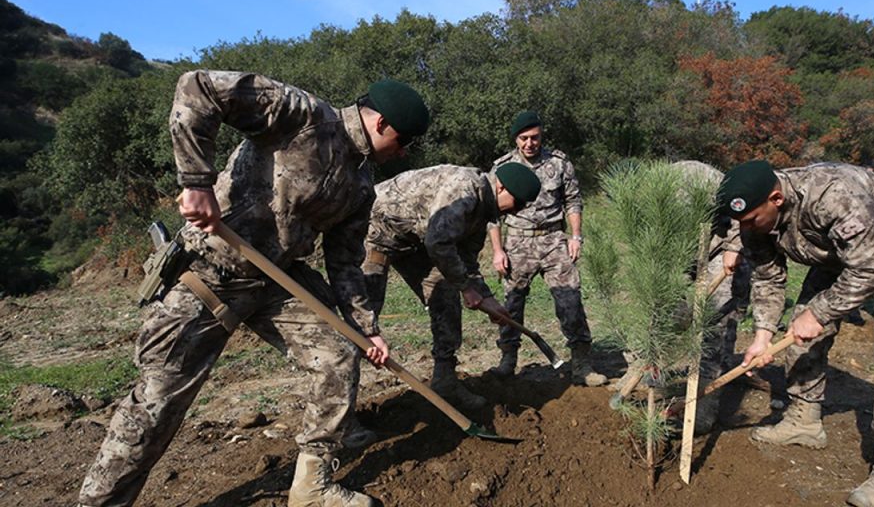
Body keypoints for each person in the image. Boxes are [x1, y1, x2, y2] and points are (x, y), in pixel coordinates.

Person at [77, 71, 430, 507]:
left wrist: (366, 327)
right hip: (210, 270)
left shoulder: (360, 187)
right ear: (382, 125)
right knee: (157, 404)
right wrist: (195, 183)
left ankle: (311, 488)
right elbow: (197, 87)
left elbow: (344, 263)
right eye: (404, 141)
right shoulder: (302, 116)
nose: (404, 152)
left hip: (276, 280)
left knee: (339, 353)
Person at [718, 160, 874, 507]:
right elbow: (768, 278)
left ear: (776, 199)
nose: (746, 228)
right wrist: (762, 335)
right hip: (841, 255)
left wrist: (821, 312)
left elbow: (871, 267)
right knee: (800, 327)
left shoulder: (832, 194)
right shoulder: (752, 218)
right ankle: (804, 421)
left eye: (750, 221)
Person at [362, 162, 541, 410]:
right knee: (363, 320)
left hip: (414, 241)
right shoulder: (465, 188)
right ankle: (342, 412)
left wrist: (486, 297)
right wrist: (466, 288)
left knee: (445, 295)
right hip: (374, 231)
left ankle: (445, 381)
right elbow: (438, 243)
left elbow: (466, 262)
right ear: (501, 187)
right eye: (518, 203)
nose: (517, 211)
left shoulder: (482, 212)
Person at [486, 111, 606, 386]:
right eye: (524, 138)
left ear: (542, 136)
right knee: (511, 304)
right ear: (516, 139)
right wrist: (497, 250)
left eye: (535, 138)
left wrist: (575, 236)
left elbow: (573, 201)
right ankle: (507, 360)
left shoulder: (559, 163)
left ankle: (582, 366)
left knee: (570, 301)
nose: (530, 144)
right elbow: (492, 214)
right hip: (517, 242)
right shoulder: (502, 167)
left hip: (554, 241)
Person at [661, 160, 752, 434]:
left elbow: (742, 211)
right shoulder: (653, 191)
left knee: (715, 324)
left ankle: (705, 407)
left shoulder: (704, 179)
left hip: (721, 247)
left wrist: (734, 247)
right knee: (668, 316)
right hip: (681, 251)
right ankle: (658, 379)